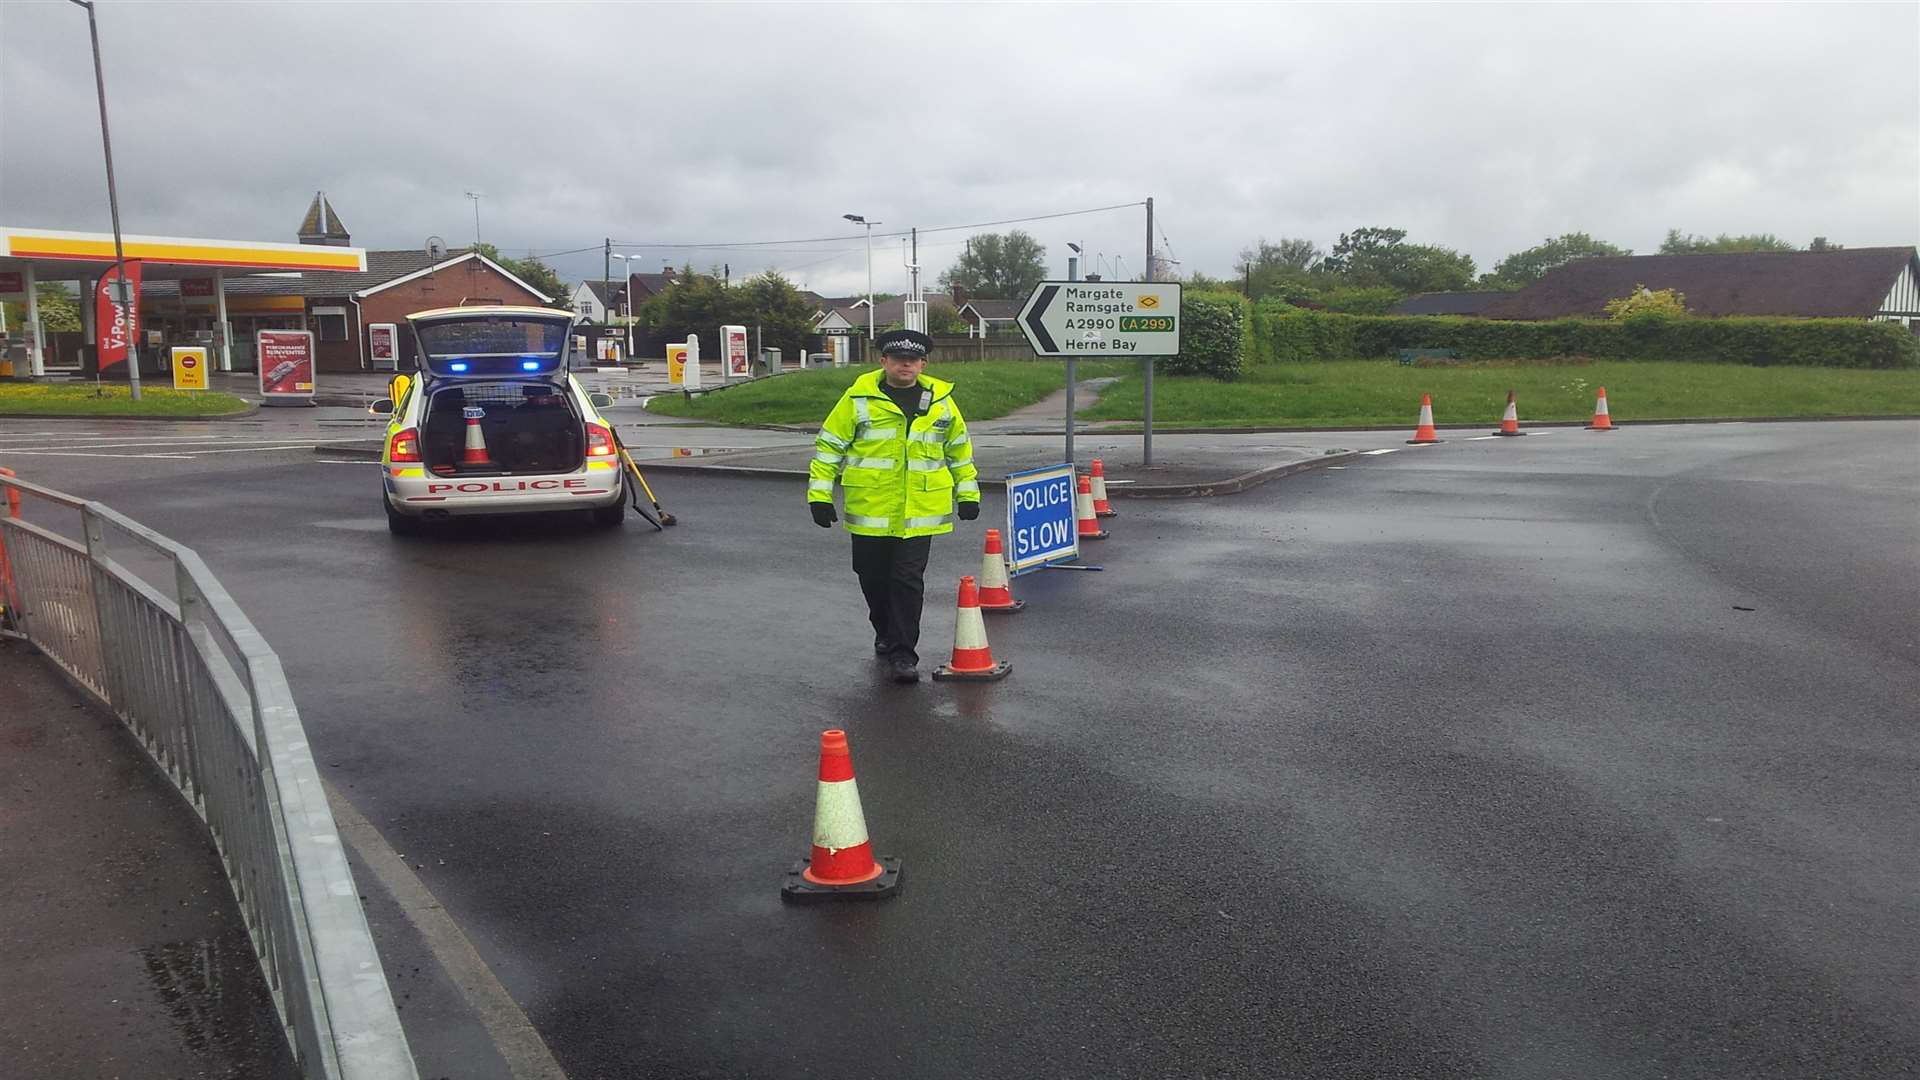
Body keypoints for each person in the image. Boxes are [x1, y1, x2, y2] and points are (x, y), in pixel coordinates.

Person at [808, 329, 980, 683]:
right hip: (870, 511)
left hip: (919, 513)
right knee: (871, 577)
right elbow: (829, 450)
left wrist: (969, 494)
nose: (906, 364)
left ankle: (904, 654)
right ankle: (884, 629)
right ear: (883, 361)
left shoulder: (941, 401)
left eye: (913, 359)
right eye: (899, 358)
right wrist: (819, 496)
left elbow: (959, 451)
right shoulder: (857, 399)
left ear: (923, 364)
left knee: (907, 580)